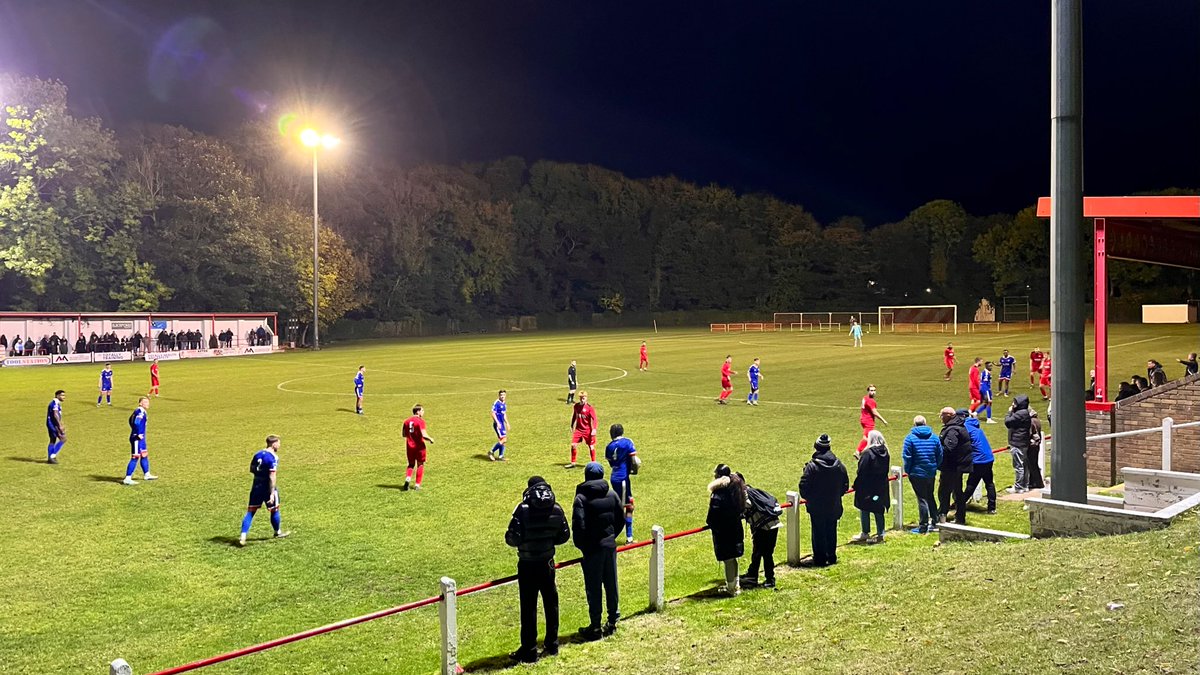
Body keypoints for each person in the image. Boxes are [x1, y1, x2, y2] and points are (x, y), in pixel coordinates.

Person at [505, 476, 570, 663]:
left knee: (528, 607)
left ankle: (529, 649)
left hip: (527, 563)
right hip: (547, 562)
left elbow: (512, 538)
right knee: (551, 603)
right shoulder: (556, 509)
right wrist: (549, 540)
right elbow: (564, 535)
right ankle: (552, 643)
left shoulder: (522, 510)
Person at [572, 463, 624, 641]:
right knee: (611, 583)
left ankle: (595, 626)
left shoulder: (581, 498)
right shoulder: (612, 494)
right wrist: (611, 536)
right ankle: (613, 620)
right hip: (609, 545)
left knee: (593, 587)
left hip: (592, 549)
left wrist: (583, 546)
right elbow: (620, 519)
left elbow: (578, 526)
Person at [799, 435, 849, 566]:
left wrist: (810, 498)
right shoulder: (839, 464)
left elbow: (803, 486)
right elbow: (845, 485)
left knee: (818, 532)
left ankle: (820, 558)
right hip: (833, 504)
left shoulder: (812, 466)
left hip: (817, 506)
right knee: (831, 530)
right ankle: (831, 555)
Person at [238, 435, 290, 547]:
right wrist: (271, 493)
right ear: (273, 444)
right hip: (267, 486)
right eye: (278, 443)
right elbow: (272, 476)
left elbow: (252, 469)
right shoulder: (273, 457)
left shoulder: (257, 454)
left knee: (251, 511)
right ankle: (277, 532)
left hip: (256, 485)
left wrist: (259, 475)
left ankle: (243, 536)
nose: (279, 446)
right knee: (274, 509)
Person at [707, 464, 747, 594]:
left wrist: (711, 524)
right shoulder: (737, 488)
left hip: (724, 531)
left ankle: (731, 588)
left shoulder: (719, 493)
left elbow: (713, 514)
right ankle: (735, 585)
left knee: (728, 559)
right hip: (735, 528)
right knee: (733, 559)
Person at [740, 475, 782, 589]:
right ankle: (752, 574)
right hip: (772, 524)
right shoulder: (753, 491)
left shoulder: (744, 495)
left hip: (764, 527)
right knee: (758, 551)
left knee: (766, 553)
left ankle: (770, 579)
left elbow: (744, 507)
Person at [902, 415, 942, 534]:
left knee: (922, 499)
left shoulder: (910, 438)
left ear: (914, 424)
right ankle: (935, 520)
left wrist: (908, 470)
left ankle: (923, 526)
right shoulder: (934, 437)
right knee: (930, 496)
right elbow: (940, 454)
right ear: (925, 423)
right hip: (930, 472)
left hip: (916, 472)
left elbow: (907, 457)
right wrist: (935, 466)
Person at [851, 430, 890, 544]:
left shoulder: (867, 453)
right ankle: (881, 532)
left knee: (864, 509)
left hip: (867, 487)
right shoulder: (886, 452)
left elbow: (861, 471)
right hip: (881, 486)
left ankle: (865, 532)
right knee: (879, 509)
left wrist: (856, 484)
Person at [936, 407, 974, 525]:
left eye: (942, 415)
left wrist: (937, 450)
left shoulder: (953, 430)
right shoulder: (958, 426)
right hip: (958, 465)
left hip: (952, 466)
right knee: (957, 491)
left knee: (944, 492)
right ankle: (959, 517)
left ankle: (942, 515)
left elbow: (949, 448)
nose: (941, 418)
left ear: (948, 416)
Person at [604, 423, 641, 543]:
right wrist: (634, 470)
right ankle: (628, 537)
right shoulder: (627, 442)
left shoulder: (609, 446)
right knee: (628, 507)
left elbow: (611, 463)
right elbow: (634, 460)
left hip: (614, 477)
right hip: (623, 479)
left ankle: (611, 536)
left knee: (620, 505)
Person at [963, 413, 997, 514]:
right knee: (989, 483)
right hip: (988, 458)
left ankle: (960, 503)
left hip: (979, 460)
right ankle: (992, 508)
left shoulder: (965, 428)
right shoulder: (976, 426)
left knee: (971, 483)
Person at [123, 397, 158, 485]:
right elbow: (136, 422)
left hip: (141, 438)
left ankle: (147, 474)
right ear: (140, 403)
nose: (147, 403)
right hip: (137, 438)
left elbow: (130, 420)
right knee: (135, 457)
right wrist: (137, 433)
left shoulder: (140, 411)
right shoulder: (140, 412)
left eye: (148, 402)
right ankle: (127, 478)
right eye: (145, 402)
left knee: (144, 455)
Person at [401, 405, 434, 490]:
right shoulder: (420, 421)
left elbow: (404, 434)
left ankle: (408, 479)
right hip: (419, 447)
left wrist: (411, 435)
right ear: (418, 411)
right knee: (420, 464)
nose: (423, 412)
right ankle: (417, 485)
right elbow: (424, 435)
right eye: (422, 410)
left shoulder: (406, 421)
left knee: (411, 464)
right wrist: (430, 439)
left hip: (409, 446)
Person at [1004, 395, 1033, 493]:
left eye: (1015, 403)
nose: (1013, 404)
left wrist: (1009, 412)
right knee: (1024, 464)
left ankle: (1018, 487)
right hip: (1023, 442)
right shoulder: (1025, 412)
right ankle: (1025, 485)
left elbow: (1007, 422)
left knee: (1018, 466)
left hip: (1017, 443)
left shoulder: (1020, 414)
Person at [566, 390, 598, 469]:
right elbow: (574, 415)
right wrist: (572, 424)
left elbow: (595, 419)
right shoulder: (576, 406)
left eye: (583, 398)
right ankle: (573, 463)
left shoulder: (590, 408)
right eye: (581, 398)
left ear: (586, 398)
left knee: (591, 446)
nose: (582, 399)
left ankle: (594, 463)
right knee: (573, 445)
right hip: (578, 430)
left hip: (587, 430)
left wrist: (594, 429)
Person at [856, 384, 889, 453]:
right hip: (868, 421)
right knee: (867, 437)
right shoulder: (871, 401)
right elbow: (875, 412)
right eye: (871, 390)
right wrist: (883, 420)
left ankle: (863, 451)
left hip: (863, 419)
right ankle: (858, 451)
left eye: (874, 390)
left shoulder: (865, 398)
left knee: (867, 436)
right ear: (868, 391)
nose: (873, 392)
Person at [46, 390, 67, 464]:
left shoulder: (54, 403)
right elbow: (55, 415)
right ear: (57, 396)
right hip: (53, 424)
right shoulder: (55, 403)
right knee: (63, 439)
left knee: (52, 440)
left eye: (64, 395)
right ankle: (52, 456)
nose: (64, 397)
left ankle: (50, 458)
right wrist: (59, 425)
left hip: (50, 423)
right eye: (62, 395)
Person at [1027, 409, 1046, 490]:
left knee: (1032, 465)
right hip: (1036, 445)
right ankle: (1032, 482)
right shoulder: (1037, 420)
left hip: (1032, 445)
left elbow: (1030, 433)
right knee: (1033, 464)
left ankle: (1038, 483)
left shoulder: (1031, 422)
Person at [489, 389, 509, 461]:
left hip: (502, 424)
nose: (502, 396)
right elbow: (493, 413)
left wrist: (507, 423)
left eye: (503, 395)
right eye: (501, 395)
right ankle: (491, 452)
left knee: (502, 440)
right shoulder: (496, 403)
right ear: (499, 396)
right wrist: (497, 422)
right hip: (498, 424)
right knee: (504, 439)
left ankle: (501, 456)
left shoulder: (504, 403)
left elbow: (504, 414)